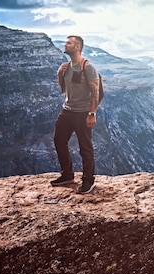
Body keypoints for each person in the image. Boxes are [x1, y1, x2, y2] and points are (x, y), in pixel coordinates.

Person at [50, 35, 99, 194]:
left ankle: (88, 180)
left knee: (85, 146)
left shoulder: (88, 67)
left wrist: (92, 113)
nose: (65, 45)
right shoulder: (67, 66)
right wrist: (59, 74)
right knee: (59, 140)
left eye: (69, 43)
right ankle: (67, 174)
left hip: (83, 112)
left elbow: (95, 91)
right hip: (67, 110)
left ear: (77, 47)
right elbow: (64, 89)